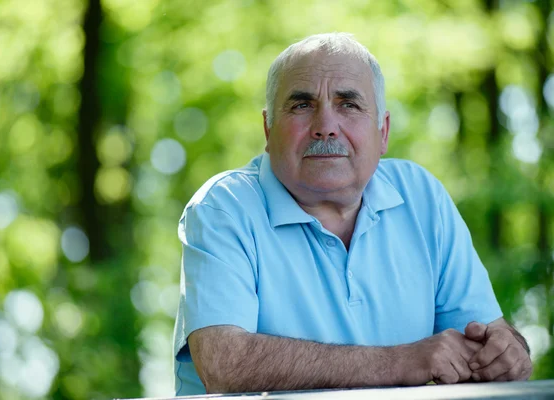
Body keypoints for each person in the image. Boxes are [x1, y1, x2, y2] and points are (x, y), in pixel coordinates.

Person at [172, 33, 532, 396]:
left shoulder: (421, 197)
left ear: (384, 131)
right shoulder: (224, 206)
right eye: (301, 105)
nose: (325, 125)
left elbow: (482, 339)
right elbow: (225, 364)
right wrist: (401, 362)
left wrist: (506, 351)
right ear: (268, 129)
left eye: (348, 104)